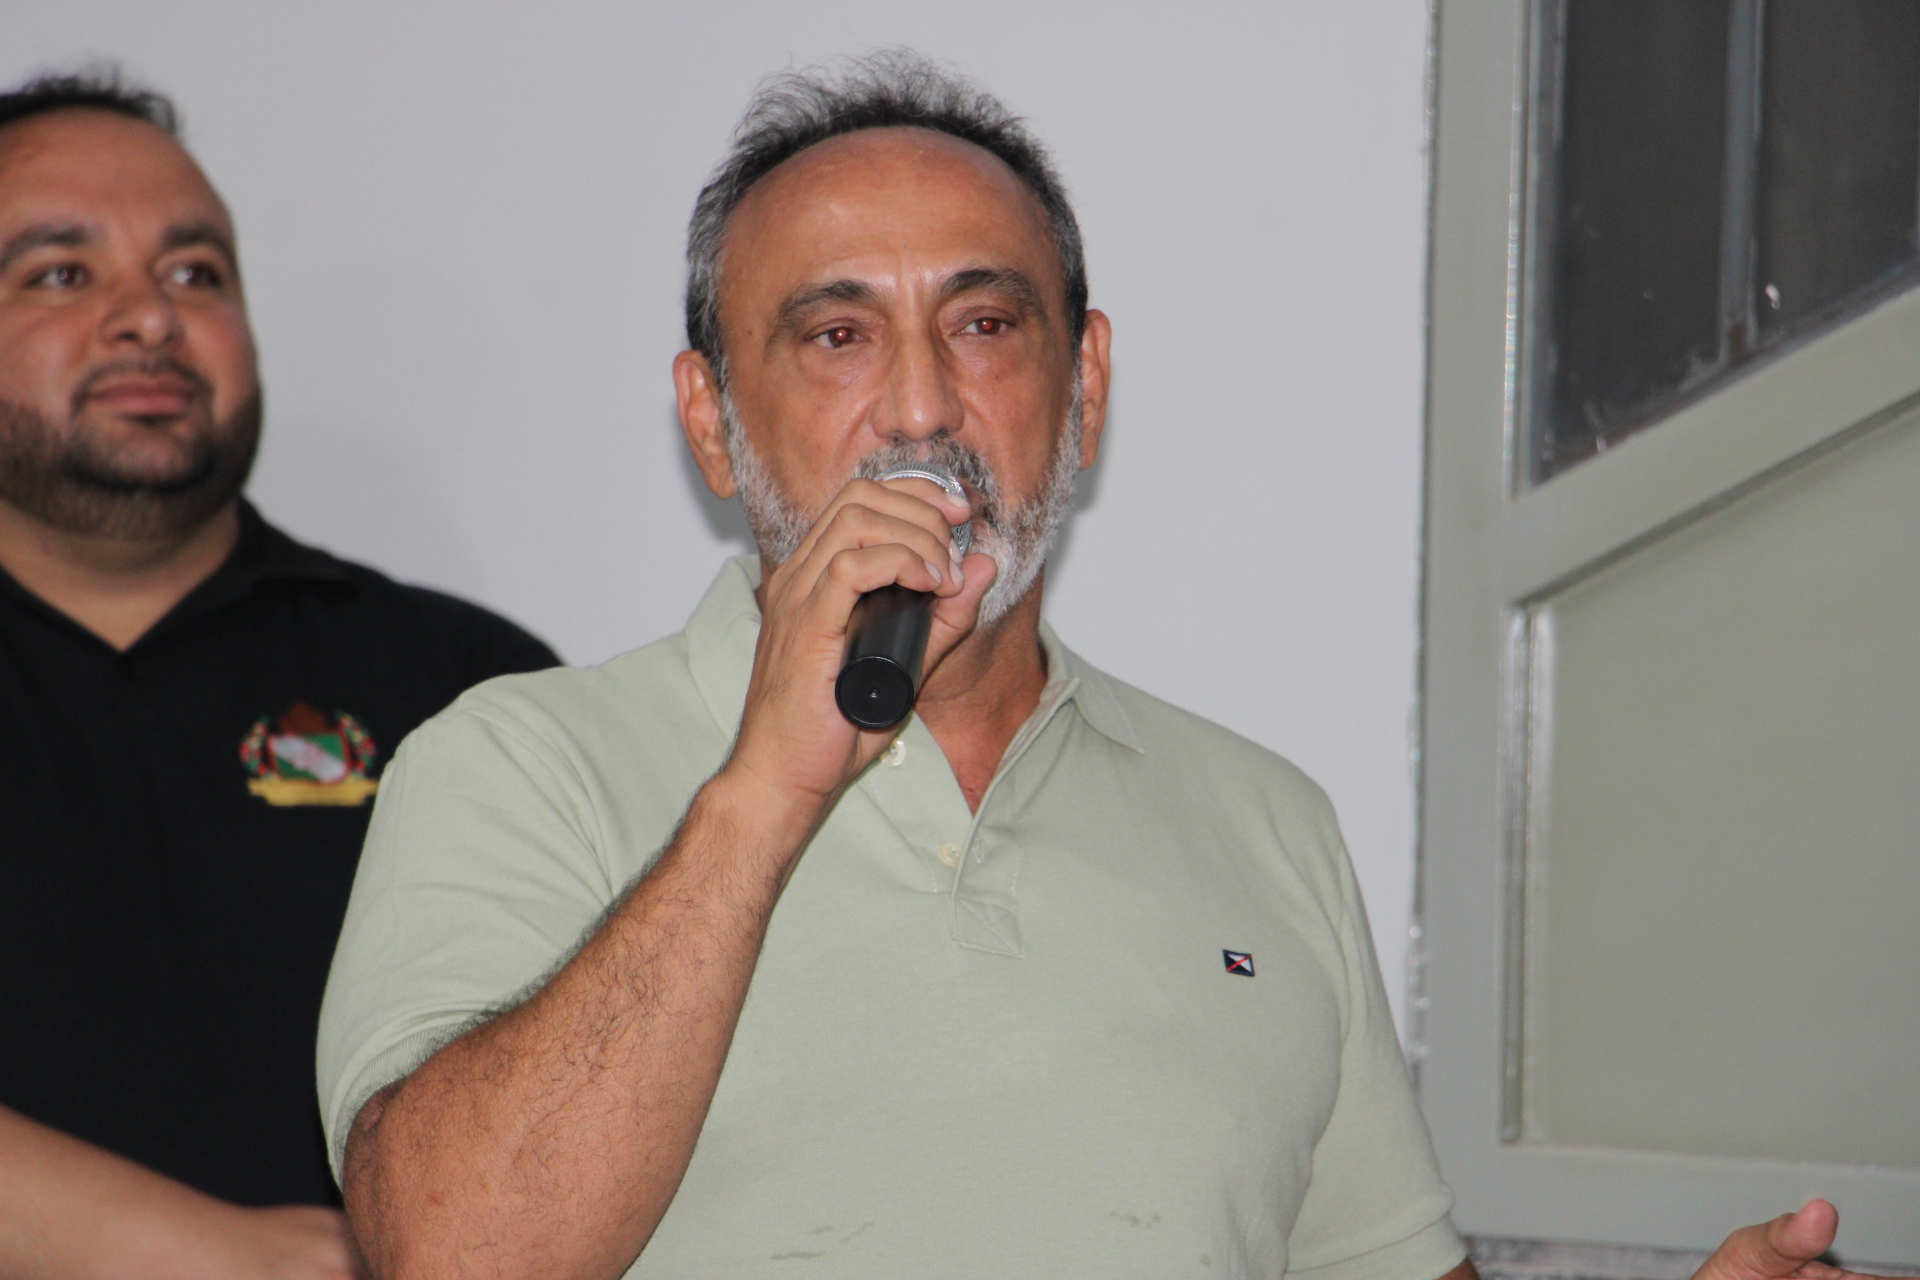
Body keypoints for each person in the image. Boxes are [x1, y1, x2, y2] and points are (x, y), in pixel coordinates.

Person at [316, 54, 1882, 1280]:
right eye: (838, 336)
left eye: (984, 324)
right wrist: (762, 793)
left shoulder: (1264, 821)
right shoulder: (515, 763)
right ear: (712, 422)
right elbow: (451, 1256)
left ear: (1086, 391)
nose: (920, 407)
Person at [0, 72, 559, 1277]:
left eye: (195, 271)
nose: (149, 317)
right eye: (61, 272)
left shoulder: (468, 686)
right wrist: (220, 1255)